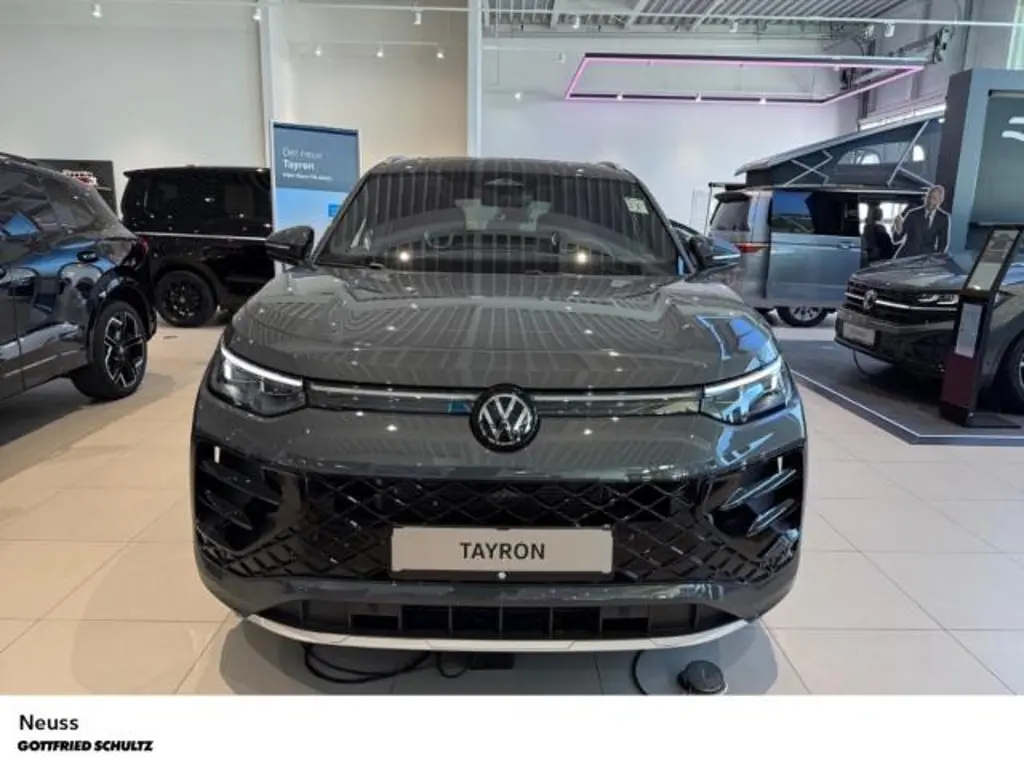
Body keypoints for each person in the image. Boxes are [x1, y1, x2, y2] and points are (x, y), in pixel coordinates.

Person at [893, 185, 950, 258]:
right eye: (929, 197)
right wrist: (898, 229)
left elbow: (943, 244)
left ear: (940, 200)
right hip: (906, 256)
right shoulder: (912, 214)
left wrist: (935, 259)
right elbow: (896, 239)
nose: (930, 201)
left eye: (934, 198)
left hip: (926, 258)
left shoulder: (943, 218)